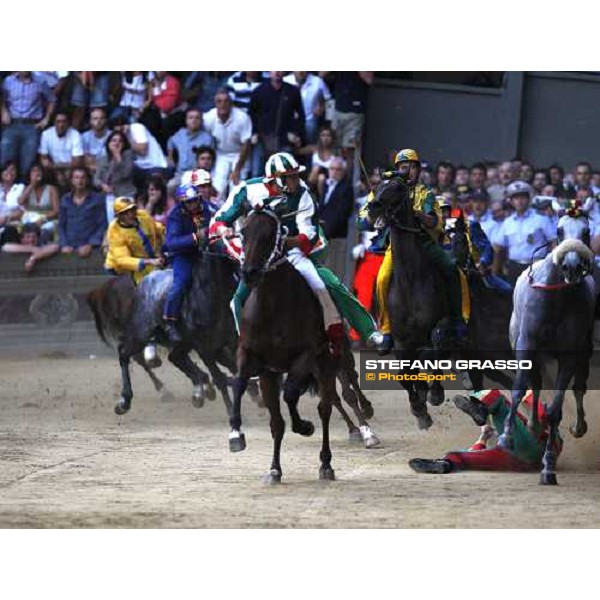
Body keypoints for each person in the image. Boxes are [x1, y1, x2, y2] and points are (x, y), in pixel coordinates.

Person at [209, 151, 383, 355]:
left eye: (295, 175)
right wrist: (224, 229)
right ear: (275, 179)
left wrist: (281, 242)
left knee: (326, 284)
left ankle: (356, 333)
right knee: (237, 299)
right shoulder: (247, 189)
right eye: (289, 176)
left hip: (291, 250)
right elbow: (220, 219)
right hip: (259, 252)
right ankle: (246, 348)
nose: (295, 180)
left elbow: (307, 236)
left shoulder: (304, 193)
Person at [359, 148, 467, 355]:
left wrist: (420, 215)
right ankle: (387, 330)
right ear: (397, 170)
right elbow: (362, 222)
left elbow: (434, 220)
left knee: (452, 268)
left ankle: (457, 320)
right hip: (395, 246)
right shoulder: (385, 189)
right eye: (403, 167)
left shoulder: (425, 193)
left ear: (418, 170)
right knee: (382, 279)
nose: (408, 171)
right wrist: (373, 220)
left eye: (412, 167)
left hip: (423, 241)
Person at [409, 389, 563, 474]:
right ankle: (445, 463)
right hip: (528, 461)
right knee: (464, 457)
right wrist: (483, 437)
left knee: (497, 398)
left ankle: (481, 410)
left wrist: (483, 437)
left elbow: (538, 418)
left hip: (523, 453)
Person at [162, 182, 211, 343]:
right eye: (189, 202)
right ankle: (170, 322)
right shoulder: (175, 215)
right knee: (180, 284)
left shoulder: (207, 207)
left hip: (208, 252)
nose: (194, 204)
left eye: (195, 200)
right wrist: (195, 237)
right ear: (182, 203)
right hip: (184, 255)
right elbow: (171, 243)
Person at [492, 180, 557, 285]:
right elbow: (498, 248)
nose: (520, 201)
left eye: (523, 198)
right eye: (516, 198)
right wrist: (494, 274)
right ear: (511, 202)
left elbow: (554, 242)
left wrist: (553, 265)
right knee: (513, 299)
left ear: (528, 199)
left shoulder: (541, 219)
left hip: (537, 266)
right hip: (514, 267)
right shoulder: (507, 222)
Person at [1, 71, 55, 177]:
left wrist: (46, 119)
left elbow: (52, 100)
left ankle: (23, 187)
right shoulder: (8, 81)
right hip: (12, 123)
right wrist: (3, 110)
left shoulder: (40, 81)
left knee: (28, 162)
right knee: (5, 159)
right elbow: (2, 97)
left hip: (32, 126)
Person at [202, 90, 252, 196]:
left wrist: (237, 169)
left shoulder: (242, 117)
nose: (223, 104)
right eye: (219, 101)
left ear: (231, 103)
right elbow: (205, 138)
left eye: (226, 101)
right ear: (215, 104)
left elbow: (246, 144)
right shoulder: (208, 117)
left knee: (236, 186)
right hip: (221, 153)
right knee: (218, 186)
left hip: (239, 153)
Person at [105, 197, 164, 284]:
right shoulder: (115, 231)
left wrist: (168, 232)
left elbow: (156, 228)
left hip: (151, 259)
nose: (130, 214)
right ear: (118, 216)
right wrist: (149, 261)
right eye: (125, 213)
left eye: (132, 209)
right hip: (124, 266)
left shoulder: (143, 216)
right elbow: (122, 259)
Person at [249, 72, 305, 157]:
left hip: (285, 138)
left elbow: (301, 115)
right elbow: (252, 114)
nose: (277, 72)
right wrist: (254, 132)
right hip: (262, 138)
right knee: (258, 169)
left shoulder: (292, 91)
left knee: (285, 168)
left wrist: (295, 133)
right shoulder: (258, 91)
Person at [58, 167, 107, 257]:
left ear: (87, 180)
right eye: (76, 178)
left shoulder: (97, 199)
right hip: (69, 247)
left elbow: (102, 225)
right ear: (71, 180)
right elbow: (61, 225)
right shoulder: (65, 199)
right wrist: (64, 244)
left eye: (83, 177)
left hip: (89, 248)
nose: (80, 181)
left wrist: (91, 244)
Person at [109, 115, 168, 191]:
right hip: (138, 168)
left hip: (155, 165)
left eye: (123, 127)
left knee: (154, 185)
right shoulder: (116, 138)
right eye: (119, 130)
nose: (122, 130)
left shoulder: (137, 127)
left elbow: (143, 150)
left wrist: (125, 139)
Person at [318, 157, 354, 280]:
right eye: (332, 169)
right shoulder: (327, 186)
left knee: (334, 274)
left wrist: (324, 233)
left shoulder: (346, 189)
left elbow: (340, 216)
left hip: (335, 238)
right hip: (324, 237)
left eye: (338, 169)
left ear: (343, 172)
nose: (334, 172)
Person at [94, 131, 136, 222]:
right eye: (113, 140)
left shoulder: (128, 155)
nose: (116, 143)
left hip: (125, 194)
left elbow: (126, 174)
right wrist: (103, 185)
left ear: (124, 144)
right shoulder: (103, 159)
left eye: (120, 141)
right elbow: (96, 179)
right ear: (108, 143)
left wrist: (118, 156)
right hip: (109, 195)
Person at [39, 111, 84, 190]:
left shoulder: (75, 134)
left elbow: (77, 162)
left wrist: (61, 167)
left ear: (68, 123)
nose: (61, 125)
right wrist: (57, 170)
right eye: (58, 122)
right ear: (54, 123)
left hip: (70, 168)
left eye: (64, 122)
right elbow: (44, 160)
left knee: (71, 174)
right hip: (53, 168)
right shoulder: (46, 134)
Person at [283, 71, 331, 144]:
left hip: (309, 120)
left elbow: (328, 99)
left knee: (310, 139)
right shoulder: (285, 80)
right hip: (289, 121)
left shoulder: (318, 81)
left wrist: (322, 107)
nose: (300, 71)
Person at [166, 108, 213, 182]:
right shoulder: (180, 134)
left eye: (197, 118)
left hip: (197, 176)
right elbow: (170, 142)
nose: (194, 120)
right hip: (180, 174)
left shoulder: (207, 139)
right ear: (186, 120)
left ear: (201, 121)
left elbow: (210, 161)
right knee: (169, 187)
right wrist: (170, 157)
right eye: (191, 118)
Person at [18, 162, 60, 243]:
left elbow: (56, 211)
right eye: (33, 171)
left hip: (47, 219)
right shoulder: (27, 189)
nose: (36, 173)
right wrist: (32, 184)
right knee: (25, 230)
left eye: (38, 170)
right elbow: (20, 202)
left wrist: (43, 219)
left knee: (44, 230)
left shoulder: (51, 189)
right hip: (30, 218)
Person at [0, 160, 25, 245]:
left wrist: (6, 218)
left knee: (9, 231)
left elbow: (22, 211)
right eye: (6, 169)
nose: (9, 172)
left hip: (13, 224)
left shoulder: (20, 188)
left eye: (13, 170)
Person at [81, 108, 111, 174]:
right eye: (95, 118)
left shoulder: (112, 136)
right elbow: (85, 160)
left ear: (105, 120)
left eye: (102, 118)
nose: (99, 121)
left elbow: (112, 161)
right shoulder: (84, 137)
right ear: (90, 121)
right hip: (89, 171)